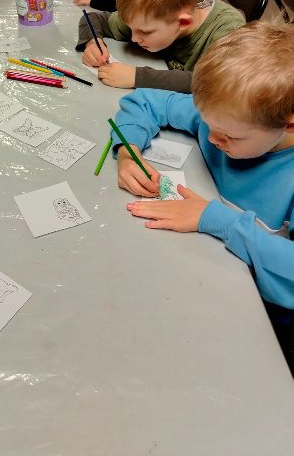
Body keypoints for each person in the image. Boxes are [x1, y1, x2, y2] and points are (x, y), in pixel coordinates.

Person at [111, 21, 294, 367]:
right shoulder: (226, 117)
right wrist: (127, 150)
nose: (211, 138)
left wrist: (215, 219)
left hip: (260, 319)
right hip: (195, 275)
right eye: (208, 125)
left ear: (289, 124)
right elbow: (144, 101)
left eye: (228, 137)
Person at [76, 0, 245, 92]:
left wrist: (137, 77)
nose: (134, 38)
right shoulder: (152, 18)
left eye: (144, 32)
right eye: (132, 29)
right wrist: (93, 43)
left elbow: (212, 83)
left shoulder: (227, 34)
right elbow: (93, 19)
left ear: (183, 22)